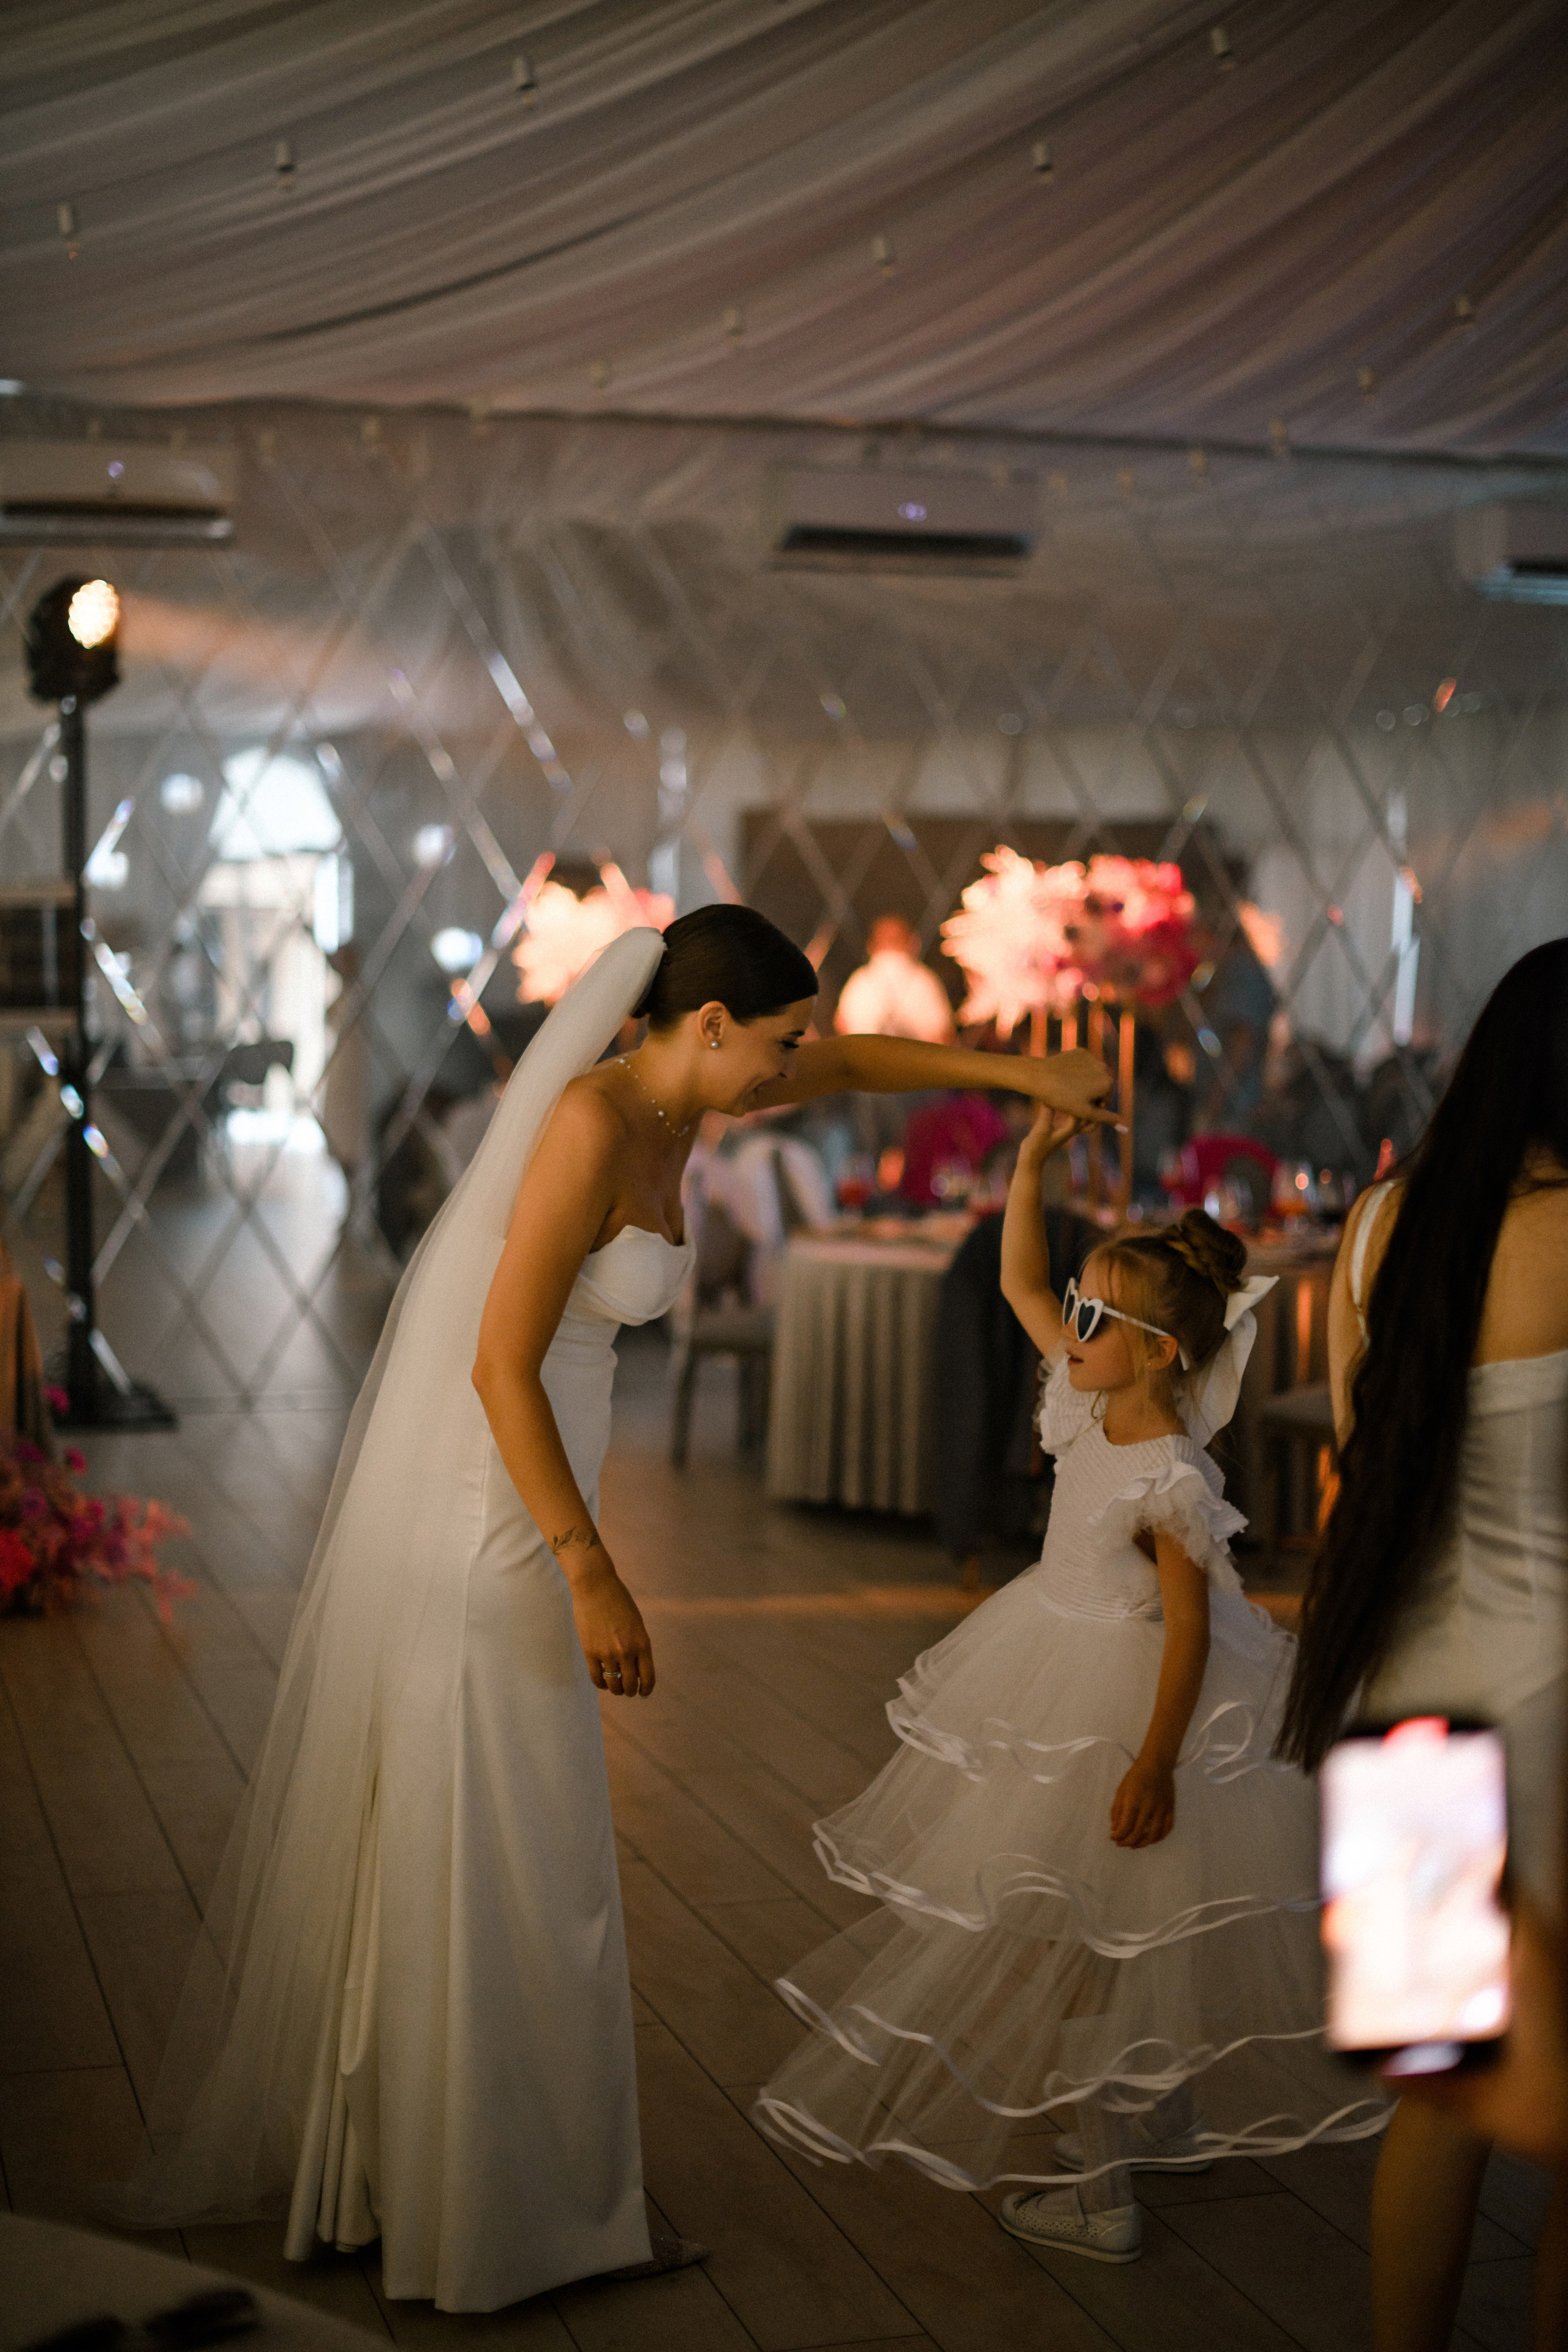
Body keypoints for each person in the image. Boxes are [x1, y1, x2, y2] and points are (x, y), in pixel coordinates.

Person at [102, 906, 1117, 2313]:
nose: (792, 1069)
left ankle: (497, 2198)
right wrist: (588, 1563)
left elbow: (863, 1065)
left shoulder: (689, 1096)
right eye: (776, 1043)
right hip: (496, 1531)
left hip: (536, 1514)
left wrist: (1026, 1082)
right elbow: (497, 1365)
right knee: (516, 1865)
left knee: (530, 1868)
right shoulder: (587, 1124)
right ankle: (498, 2218)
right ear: (706, 1027)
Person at [757, 1110, 1384, 2261]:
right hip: (1057, 1667)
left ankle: (1102, 2196)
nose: (1070, 1324)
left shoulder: (1168, 1477)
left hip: (1122, 1712)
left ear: (1158, 1351)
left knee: (1090, 1941)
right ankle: (1150, 2109)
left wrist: (1152, 1763)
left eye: (1095, 1317)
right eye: (1077, 1308)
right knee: (1111, 1937)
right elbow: (1018, 1285)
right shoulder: (1086, 1403)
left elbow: (1190, 1637)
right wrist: (1033, 1167)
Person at [1279, 935, 1568, 2352]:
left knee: (1436, 2097)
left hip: (1396, 1691)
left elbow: (1354, 1453)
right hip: (1551, 1701)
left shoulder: (1385, 1220)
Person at [834, 914, 956, 1043]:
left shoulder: (859, 981)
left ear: (871, 946)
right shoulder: (925, 980)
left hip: (867, 1060)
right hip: (915, 1061)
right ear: (914, 943)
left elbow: (842, 1025)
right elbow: (945, 1035)